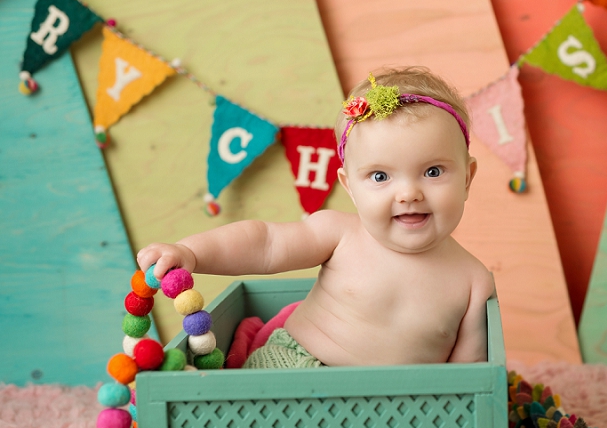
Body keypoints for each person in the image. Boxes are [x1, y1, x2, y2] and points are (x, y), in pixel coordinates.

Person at [137, 67, 495, 368]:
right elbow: (265, 243)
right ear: (350, 186)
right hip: (294, 365)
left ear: (467, 178)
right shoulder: (339, 234)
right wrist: (191, 253)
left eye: (433, 172)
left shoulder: (473, 281)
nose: (408, 194)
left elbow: (469, 378)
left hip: (393, 408)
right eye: (381, 177)